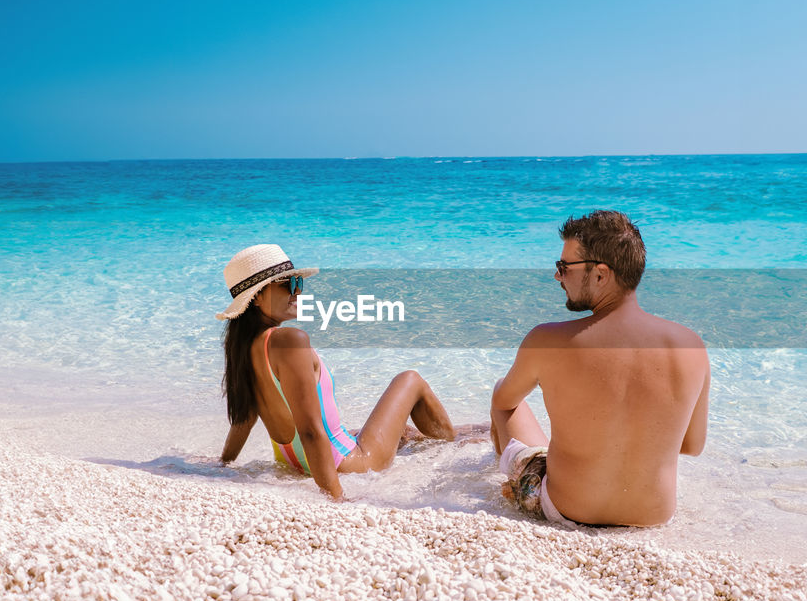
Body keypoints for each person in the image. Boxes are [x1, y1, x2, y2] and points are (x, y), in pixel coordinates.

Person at [490, 210, 709, 527]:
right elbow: (691, 446)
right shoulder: (692, 346)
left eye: (564, 267)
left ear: (601, 274)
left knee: (503, 393)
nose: (557, 277)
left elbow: (504, 402)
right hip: (653, 517)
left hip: (567, 509)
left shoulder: (547, 340)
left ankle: (507, 483)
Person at [216, 244, 457, 500]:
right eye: (288, 284)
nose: (297, 292)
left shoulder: (245, 348)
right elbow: (309, 430)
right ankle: (453, 447)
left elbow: (244, 417)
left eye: (298, 283)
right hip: (351, 464)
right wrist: (335, 496)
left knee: (398, 433)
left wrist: (224, 463)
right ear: (256, 297)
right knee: (410, 379)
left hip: (295, 463)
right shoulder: (290, 341)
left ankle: (452, 436)